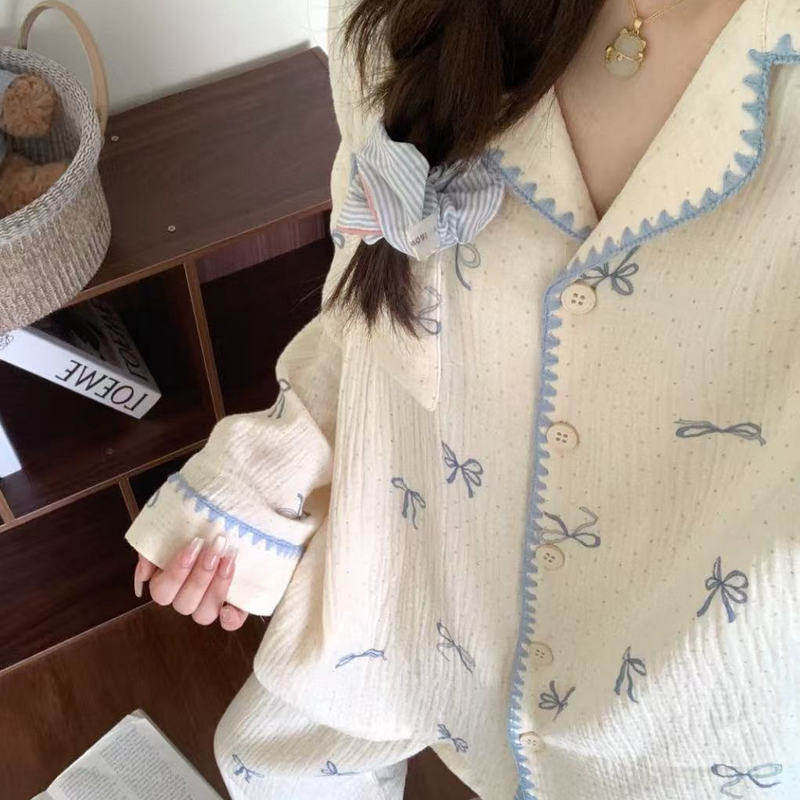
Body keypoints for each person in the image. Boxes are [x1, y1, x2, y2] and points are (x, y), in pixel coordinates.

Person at [124, 0, 800, 797]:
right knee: (267, 760)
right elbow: (372, 306)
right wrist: (259, 476)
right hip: (425, 582)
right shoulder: (404, 16)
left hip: (694, 699)